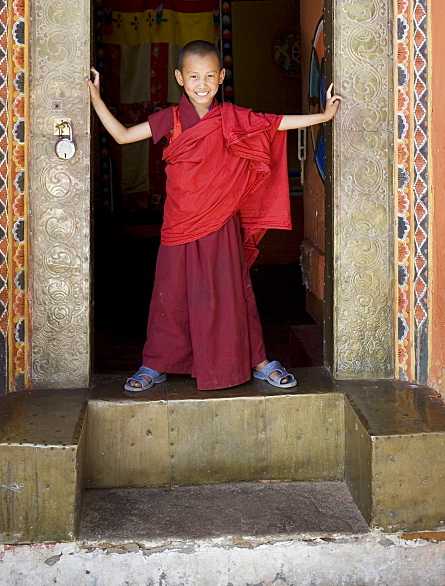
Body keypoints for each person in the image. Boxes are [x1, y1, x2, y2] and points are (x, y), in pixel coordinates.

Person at [86, 40, 341, 393]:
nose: (201, 84)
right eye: (193, 76)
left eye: (209, 76)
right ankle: (156, 362)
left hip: (220, 221)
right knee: (170, 295)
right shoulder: (171, 119)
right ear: (180, 78)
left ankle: (257, 360)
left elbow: (275, 124)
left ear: (221, 77)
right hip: (179, 223)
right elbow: (124, 135)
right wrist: (95, 97)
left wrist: (323, 116)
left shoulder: (232, 119)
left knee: (232, 292)